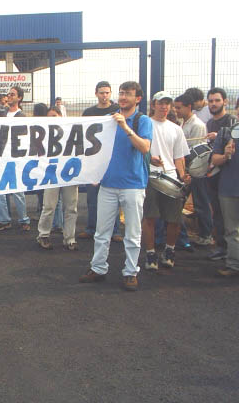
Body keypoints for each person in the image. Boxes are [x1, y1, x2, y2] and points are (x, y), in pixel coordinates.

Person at [79, 81, 152, 291]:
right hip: (108, 184)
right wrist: (94, 172)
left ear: (138, 98)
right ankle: (98, 268)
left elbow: (144, 147)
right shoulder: (108, 120)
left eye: (127, 94)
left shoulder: (142, 120)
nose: (123, 97)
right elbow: (96, 149)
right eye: (121, 93)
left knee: (132, 233)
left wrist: (125, 127)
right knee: (101, 232)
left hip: (133, 185)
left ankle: (130, 272)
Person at [141, 92, 190, 271]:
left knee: (174, 220)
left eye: (167, 103)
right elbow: (138, 149)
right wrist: (149, 158)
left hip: (170, 178)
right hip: (149, 177)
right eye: (161, 103)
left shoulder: (176, 129)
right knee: (149, 217)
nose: (164, 107)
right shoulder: (145, 124)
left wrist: (182, 175)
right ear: (153, 104)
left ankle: (169, 251)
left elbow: (179, 157)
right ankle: (150, 253)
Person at [78, 81, 123, 242]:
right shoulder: (89, 112)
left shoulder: (117, 111)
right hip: (94, 161)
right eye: (102, 92)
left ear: (110, 93)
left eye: (107, 92)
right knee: (92, 198)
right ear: (96, 93)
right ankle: (91, 228)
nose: (104, 95)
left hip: (112, 161)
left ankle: (115, 231)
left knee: (113, 197)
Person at [36, 106, 78, 250]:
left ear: (61, 116)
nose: (52, 119)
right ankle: (43, 235)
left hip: (69, 174)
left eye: (54, 116)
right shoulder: (43, 134)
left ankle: (70, 238)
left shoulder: (70, 131)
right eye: (49, 117)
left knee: (71, 207)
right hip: (51, 174)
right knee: (49, 206)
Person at [204, 87, 238, 261]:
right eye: (211, 101)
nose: (214, 104)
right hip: (216, 175)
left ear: (225, 102)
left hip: (230, 176)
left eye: (217, 100)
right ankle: (223, 248)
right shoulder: (211, 123)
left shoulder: (231, 121)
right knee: (218, 212)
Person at [174, 93, 211, 249]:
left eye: (179, 108)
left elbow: (198, 151)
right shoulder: (184, 122)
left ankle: (206, 235)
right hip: (186, 169)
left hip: (195, 170)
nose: (176, 111)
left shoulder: (197, 125)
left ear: (189, 107)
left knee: (200, 203)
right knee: (180, 202)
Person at [0, 87, 30, 232]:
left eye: (12, 94)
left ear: (19, 98)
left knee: (17, 191)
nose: (9, 96)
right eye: (8, 94)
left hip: (15, 157)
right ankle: (4, 220)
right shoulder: (2, 114)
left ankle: (24, 219)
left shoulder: (22, 116)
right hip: (1, 156)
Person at [211, 102, 239, 277]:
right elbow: (215, 160)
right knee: (232, 230)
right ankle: (234, 265)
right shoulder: (226, 132)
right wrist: (226, 155)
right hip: (229, 188)